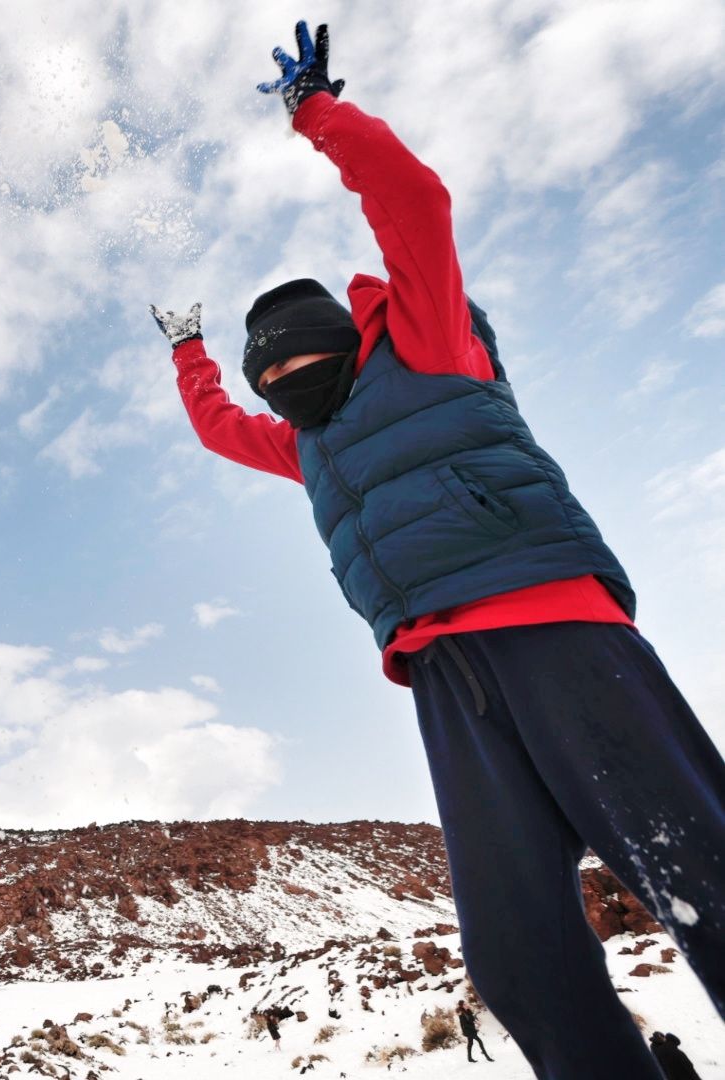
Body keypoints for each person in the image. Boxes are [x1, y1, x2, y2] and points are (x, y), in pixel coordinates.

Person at [151, 20, 725, 1080]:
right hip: (442, 676)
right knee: (519, 963)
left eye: (296, 361)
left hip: (551, 626)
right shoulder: (310, 447)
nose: (282, 386)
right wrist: (188, 357)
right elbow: (221, 431)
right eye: (267, 374)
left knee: (699, 869)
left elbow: (415, 203)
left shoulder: (428, 342)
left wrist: (317, 114)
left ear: (338, 336)